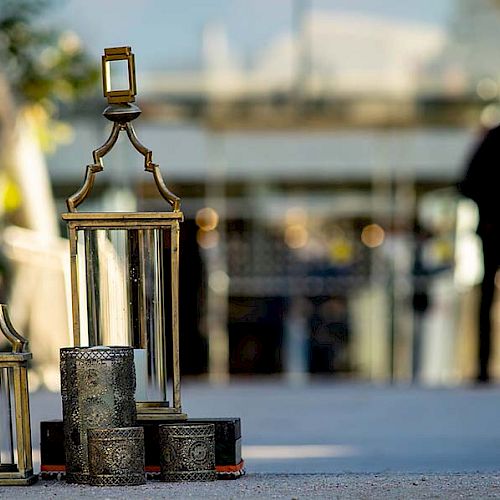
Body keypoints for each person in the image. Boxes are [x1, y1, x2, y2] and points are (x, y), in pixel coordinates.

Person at [458, 124, 500, 383]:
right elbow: (468, 184)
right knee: (485, 298)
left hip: (492, 228)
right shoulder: (492, 140)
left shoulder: (491, 140)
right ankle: (482, 365)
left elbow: (466, 184)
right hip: (492, 228)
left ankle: (483, 366)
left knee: (486, 298)